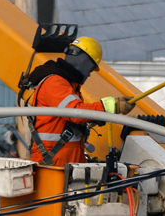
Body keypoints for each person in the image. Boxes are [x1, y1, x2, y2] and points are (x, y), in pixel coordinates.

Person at [26, 36, 135, 166]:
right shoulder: (55, 82)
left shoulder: (68, 85)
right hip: (52, 165)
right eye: (90, 69)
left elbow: (73, 115)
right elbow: (75, 112)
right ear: (84, 62)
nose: (89, 74)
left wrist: (93, 117)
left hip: (65, 163)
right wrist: (110, 106)